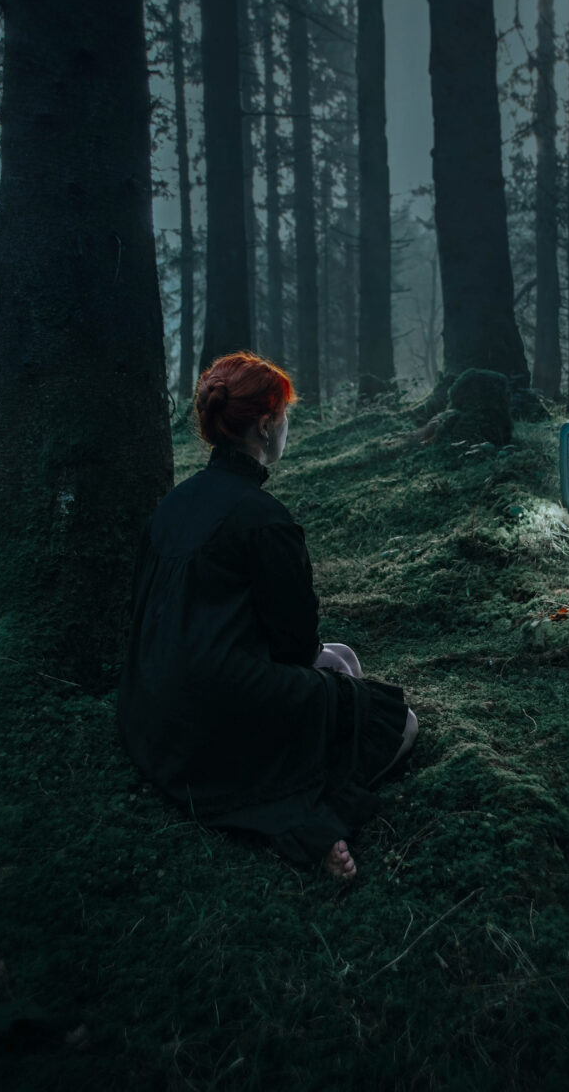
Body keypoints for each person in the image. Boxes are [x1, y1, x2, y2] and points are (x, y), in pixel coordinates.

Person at [117, 351, 417, 881]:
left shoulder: (174, 504)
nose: (287, 428)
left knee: (344, 659)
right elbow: (295, 643)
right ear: (264, 425)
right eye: (285, 417)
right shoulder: (263, 519)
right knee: (401, 724)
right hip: (219, 712)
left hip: (152, 715)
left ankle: (312, 764)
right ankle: (316, 818)